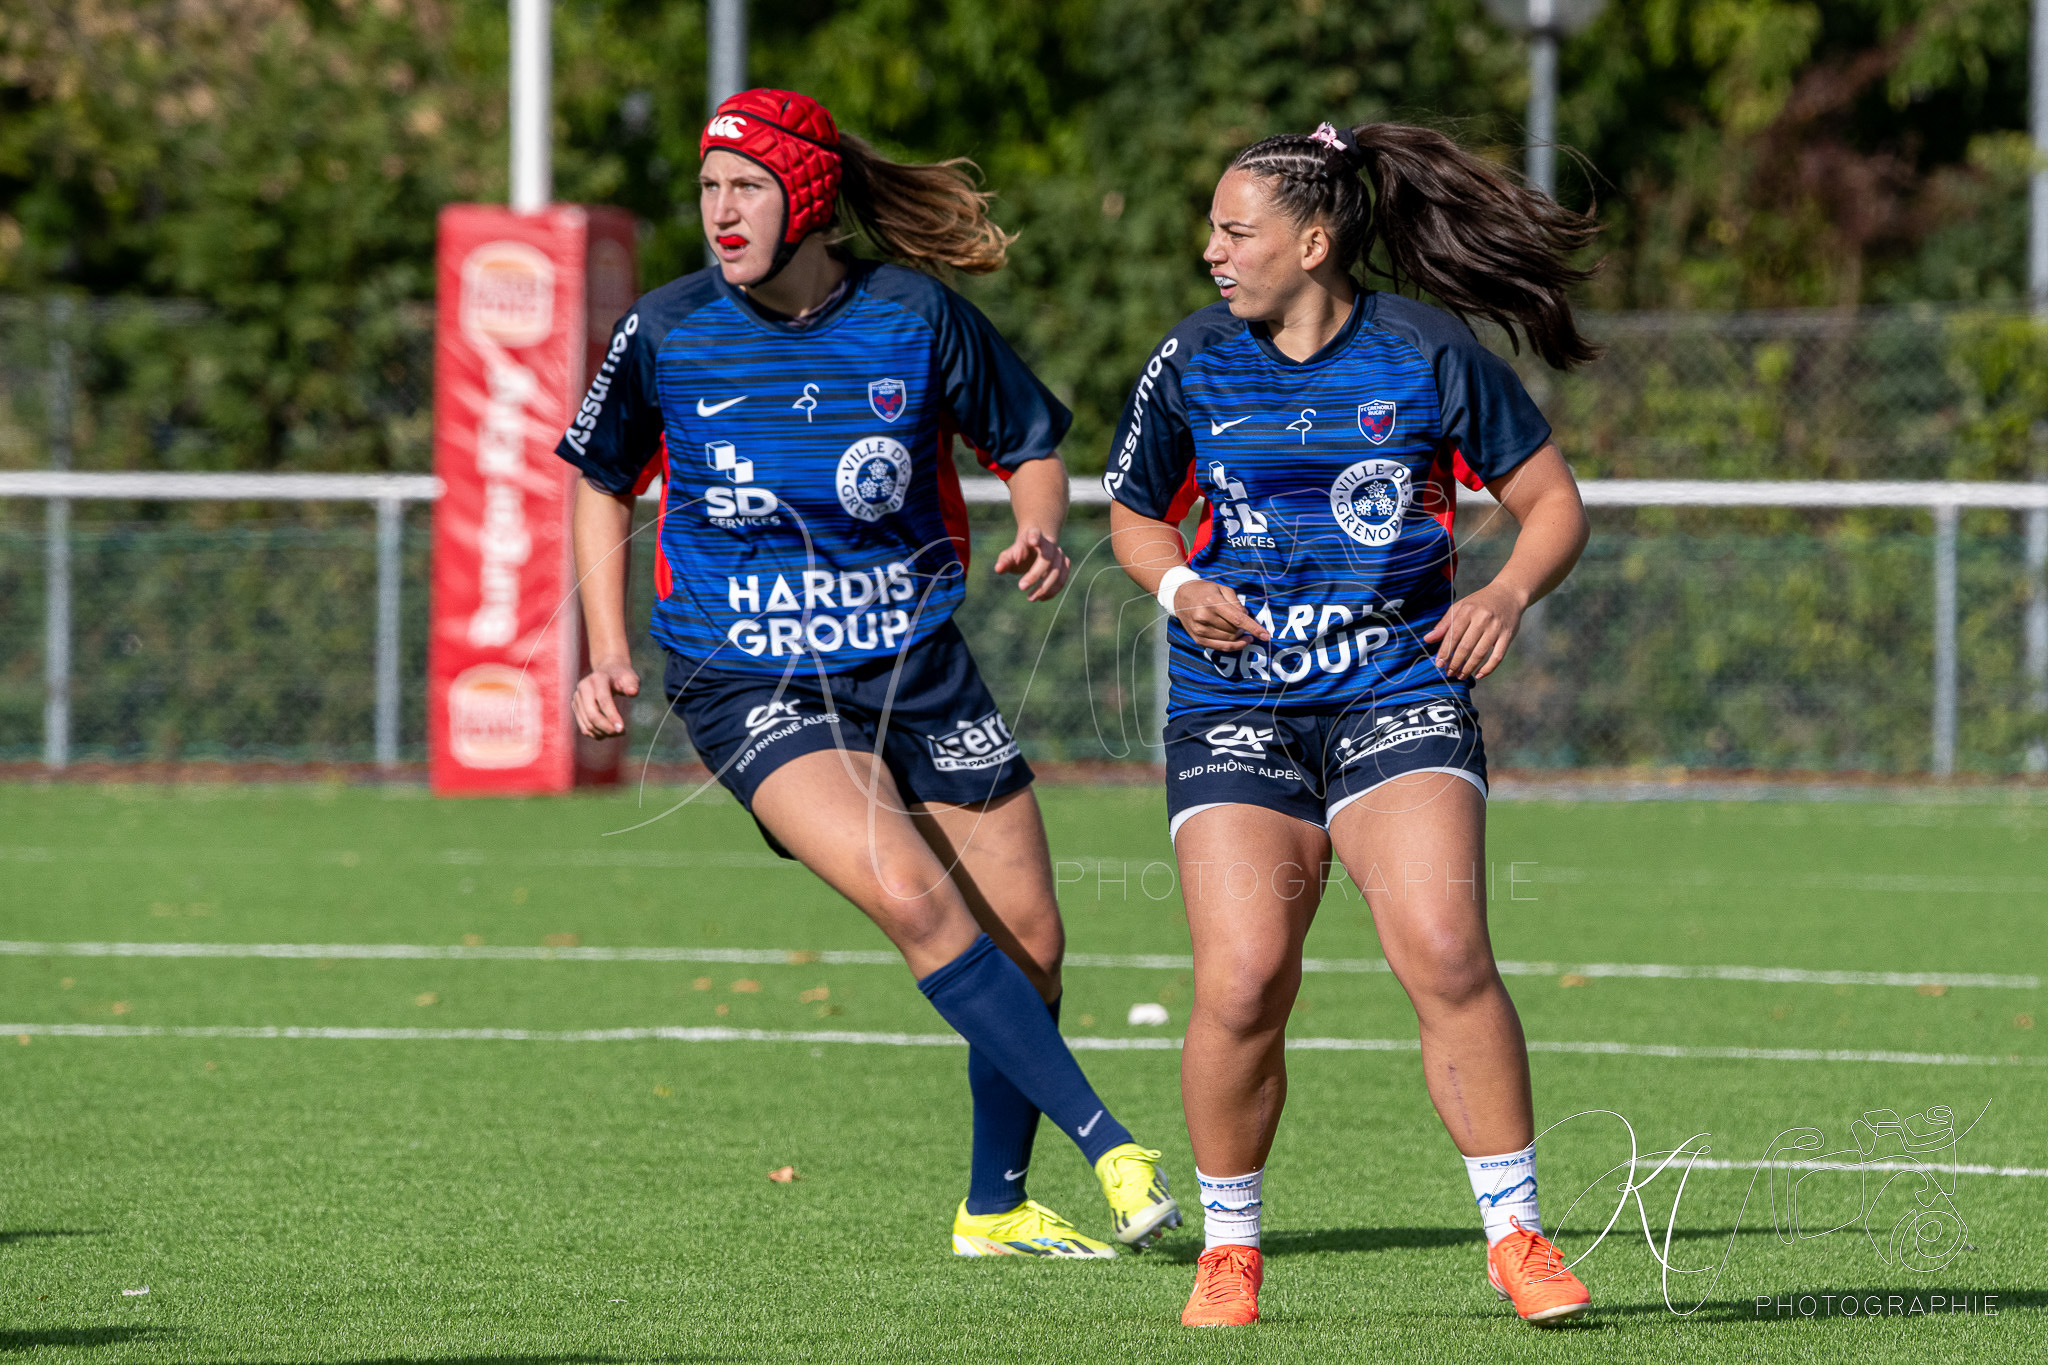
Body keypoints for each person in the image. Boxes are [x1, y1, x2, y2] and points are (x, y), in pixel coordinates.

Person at [555, 89, 1178, 1259]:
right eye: (706, 187)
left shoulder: (913, 317)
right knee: (910, 897)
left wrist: (1037, 528)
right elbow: (601, 476)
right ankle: (1109, 1144)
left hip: (915, 665)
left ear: (806, 195)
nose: (719, 211)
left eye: (743, 187)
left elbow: (1028, 442)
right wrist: (601, 643)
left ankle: (993, 1209)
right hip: (745, 680)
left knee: (1030, 940)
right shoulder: (667, 328)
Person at [1104, 120, 1597, 1325]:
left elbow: (1549, 507)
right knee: (1240, 981)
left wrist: (1500, 592)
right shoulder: (1188, 359)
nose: (1209, 249)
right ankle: (1231, 1250)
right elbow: (1131, 518)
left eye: (1235, 229)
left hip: (1396, 694)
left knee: (1441, 951)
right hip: (1234, 705)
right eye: (1211, 228)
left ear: (1313, 240)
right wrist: (1178, 587)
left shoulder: (1426, 352)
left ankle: (1517, 1237)